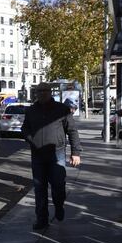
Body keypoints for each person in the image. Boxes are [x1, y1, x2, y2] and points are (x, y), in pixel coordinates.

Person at [21, 82, 82, 230]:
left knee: (58, 185)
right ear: (35, 93)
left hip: (57, 153)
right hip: (38, 155)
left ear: (50, 92)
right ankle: (42, 219)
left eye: (45, 90)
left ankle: (59, 205)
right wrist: (31, 139)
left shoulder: (62, 109)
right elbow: (24, 128)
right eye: (39, 91)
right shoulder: (31, 110)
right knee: (39, 188)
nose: (42, 93)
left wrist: (76, 153)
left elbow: (72, 131)